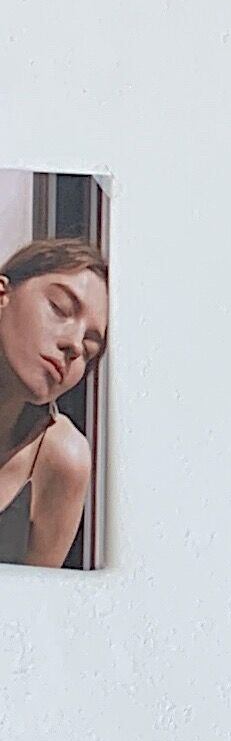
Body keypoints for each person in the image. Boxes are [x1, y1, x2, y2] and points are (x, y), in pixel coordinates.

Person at [0, 235, 110, 570]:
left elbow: (38, 601)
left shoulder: (61, 457)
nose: (74, 345)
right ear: (3, 294)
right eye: (60, 308)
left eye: (90, 349)